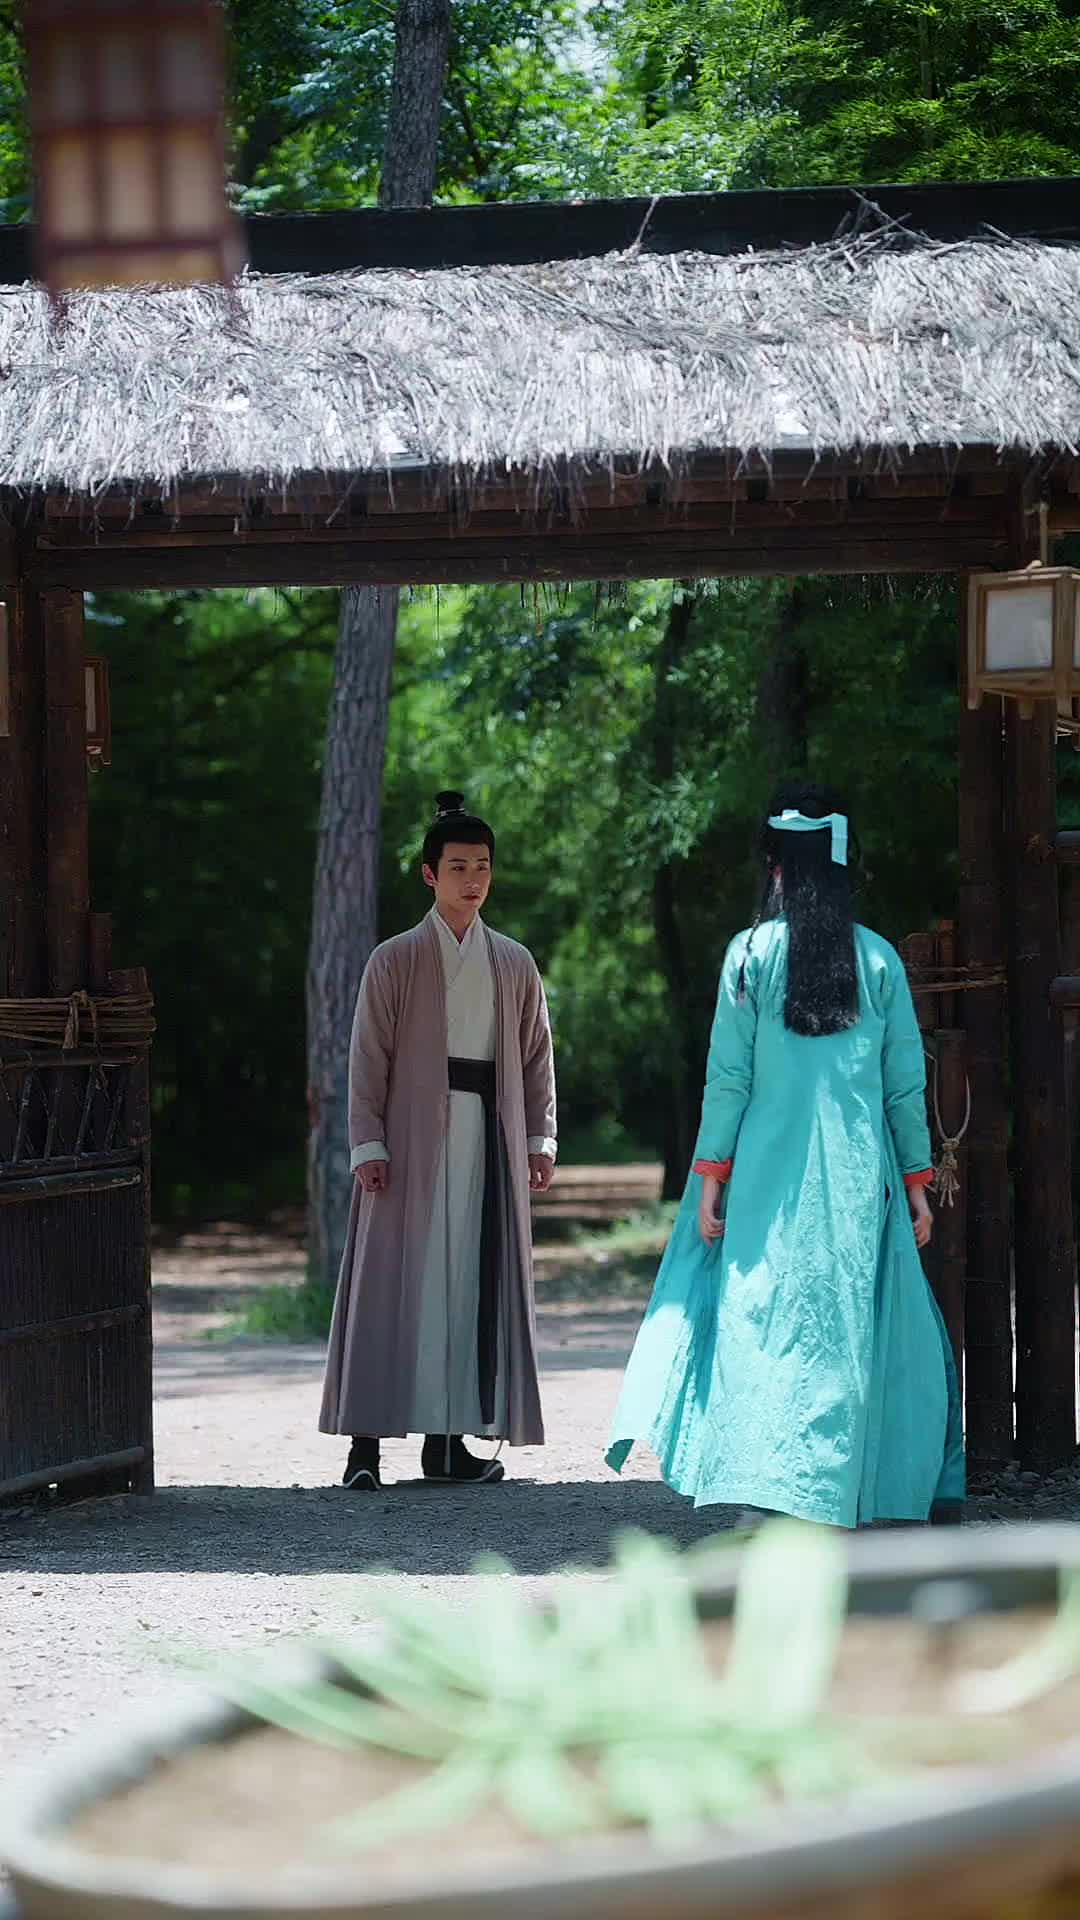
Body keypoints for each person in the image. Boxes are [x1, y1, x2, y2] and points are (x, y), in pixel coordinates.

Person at [607, 784, 964, 1528]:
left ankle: (763, 1496)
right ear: (841, 869)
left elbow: (729, 1079)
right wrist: (916, 1181)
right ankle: (833, 1496)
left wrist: (712, 1173)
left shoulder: (748, 957)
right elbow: (905, 1084)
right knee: (841, 1326)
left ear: (776, 870)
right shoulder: (879, 961)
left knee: (758, 1320)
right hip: (856, 1178)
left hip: (766, 1177)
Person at [320, 791, 557, 1489]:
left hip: (488, 1135)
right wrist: (369, 1143)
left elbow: (536, 1056)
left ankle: (448, 1445)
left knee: (469, 1284)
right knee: (391, 1283)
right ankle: (365, 1450)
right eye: (458, 867)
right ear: (429, 874)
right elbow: (368, 1058)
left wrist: (538, 1137)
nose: (472, 880)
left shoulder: (513, 961)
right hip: (409, 1139)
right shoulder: (393, 960)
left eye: (482, 866)